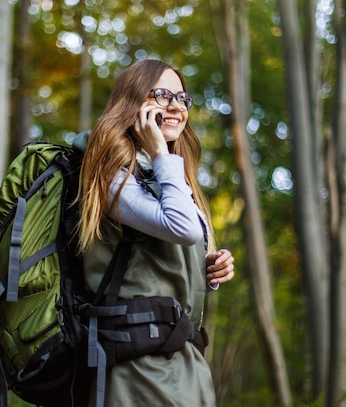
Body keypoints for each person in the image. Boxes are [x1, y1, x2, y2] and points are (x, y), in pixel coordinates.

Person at [75, 59, 235, 407]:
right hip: (138, 364)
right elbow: (180, 227)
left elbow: (176, 242)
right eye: (162, 95)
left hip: (183, 359)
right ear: (133, 102)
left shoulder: (166, 175)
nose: (177, 106)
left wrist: (208, 269)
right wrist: (161, 153)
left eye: (182, 97)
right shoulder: (112, 174)